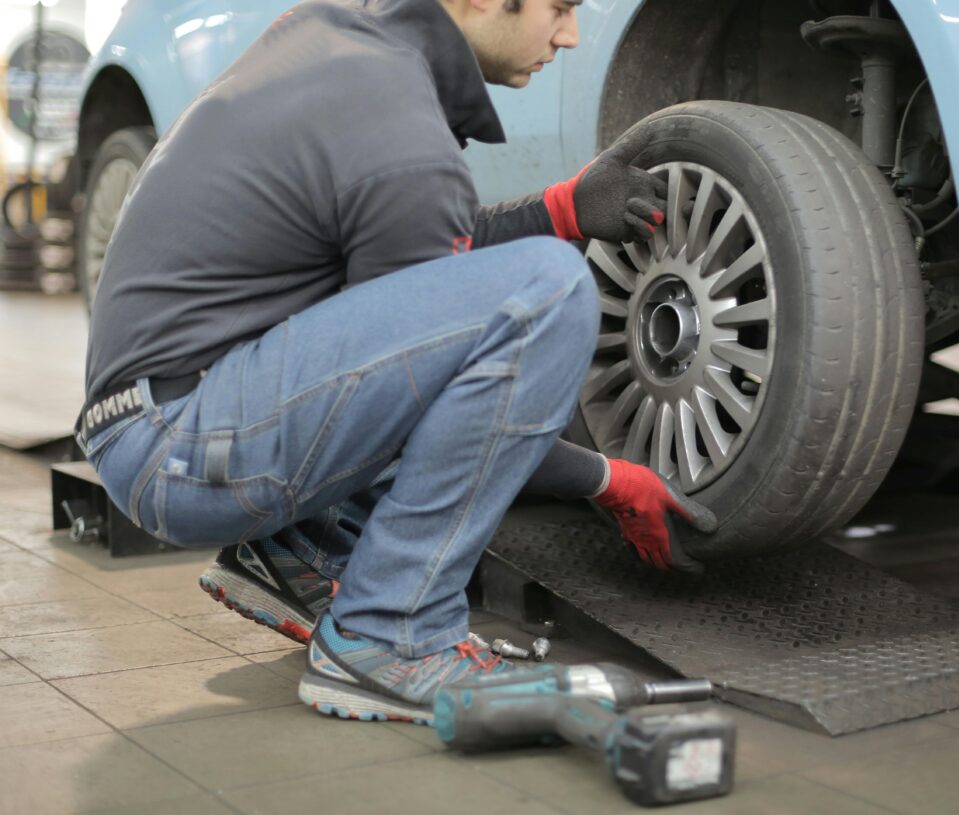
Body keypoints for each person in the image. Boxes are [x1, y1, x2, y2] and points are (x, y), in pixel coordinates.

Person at [76, 0, 714, 725]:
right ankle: (393, 633)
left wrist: (559, 210)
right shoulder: (400, 126)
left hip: (154, 420)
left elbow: (405, 265)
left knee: (503, 285)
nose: (568, 35)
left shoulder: (351, 51)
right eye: (559, 8)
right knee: (548, 291)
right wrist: (606, 479)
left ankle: (302, 552)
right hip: (184, 447)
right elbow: (433, 381)